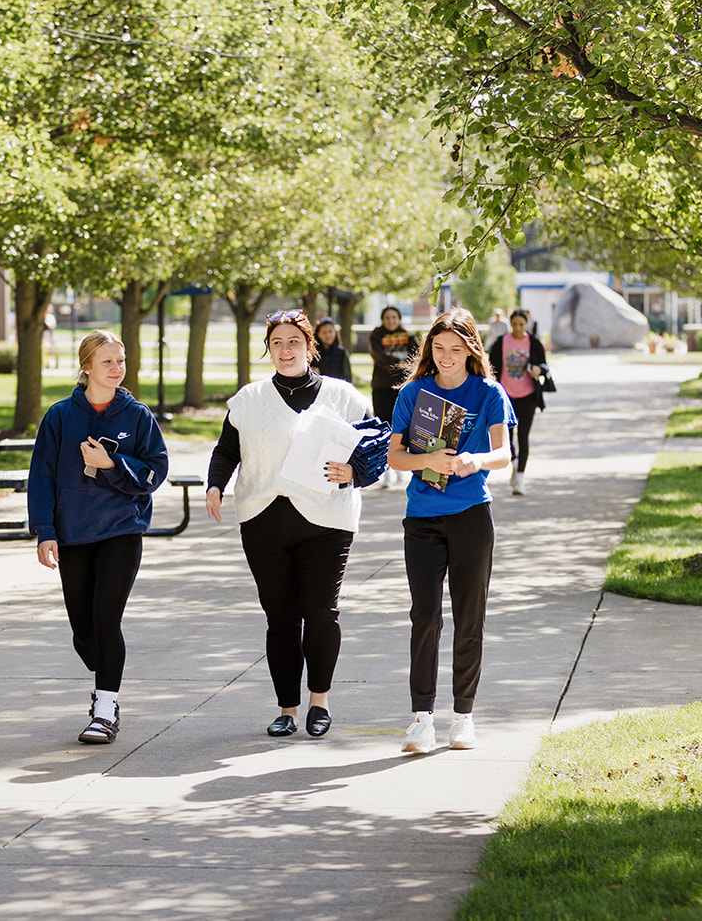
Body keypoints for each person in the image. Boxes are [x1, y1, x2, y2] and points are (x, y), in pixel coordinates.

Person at [207, 309, 388, 738]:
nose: (285, 350)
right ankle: (287, 708)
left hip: (327, 519)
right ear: (267, 350)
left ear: (311, 347)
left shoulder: (344, 397)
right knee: (281, 619)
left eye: (294, 342)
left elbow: (377, 449)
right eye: (276, 343)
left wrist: (355, 473)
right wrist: (215, 485)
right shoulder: (248, 400)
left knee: (321, 613)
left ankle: (319, 701)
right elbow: (225, 451)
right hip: (262, 518)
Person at [27, 329, 168, 744]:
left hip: (121, 531)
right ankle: (103, 662)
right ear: (86, 365)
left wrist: (111, 463)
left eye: (120, 361)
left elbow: (154, 472)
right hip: (73, 534)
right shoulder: (59, 417)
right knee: (84, 630)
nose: (117, 369)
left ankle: (105, 708)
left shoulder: (137, 416)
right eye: (107, 362)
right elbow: (42, 479)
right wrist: (44, 532)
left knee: (107, 620)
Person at [385, 306, 514, 754]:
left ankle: (464, 716)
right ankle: (421, 719)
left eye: (455, 349)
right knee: (425, 617)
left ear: (471, 349)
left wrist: (474, 461)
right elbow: (395, 457)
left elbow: (504, 454)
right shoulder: (413, 394)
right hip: (422, 518)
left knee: (469, 619)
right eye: (438, 348)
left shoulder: (490, 393)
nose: (446, 356)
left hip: (471, 517)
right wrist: (428, 461)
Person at [487, 308, 547, 496]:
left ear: (527, 324)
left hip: (528, 396)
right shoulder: (501, 343)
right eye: (514, 325)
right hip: (506, 397)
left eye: (521, 325)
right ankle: (514, 463)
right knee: (508, 439)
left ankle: (520, 478)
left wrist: (538, 370)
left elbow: (544, 366)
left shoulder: (534, 343)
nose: (518, 328)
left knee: (524, 437)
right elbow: (491, 368)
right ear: (510, 324)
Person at [368, 305, 418, 488]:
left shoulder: (408, 335)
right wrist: (399, 363)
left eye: (394, 317)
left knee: (403, 427)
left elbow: (416, 356)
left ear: (399, 319)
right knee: (384, 427)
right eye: (387, 318)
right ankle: (386, 470)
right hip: (381, 386)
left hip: (403, 388)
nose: (391, 321)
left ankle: (402, 467)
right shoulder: (376, 335)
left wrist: (404, 365)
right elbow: (378, 357)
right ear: (382, 319)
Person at [311, 317, 353, 382]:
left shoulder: (342, 353)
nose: (328, 335)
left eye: (330, 332)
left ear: (335, 333)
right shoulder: (312, 353)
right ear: (318, 334)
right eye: (324, 333)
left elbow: (347, 377)